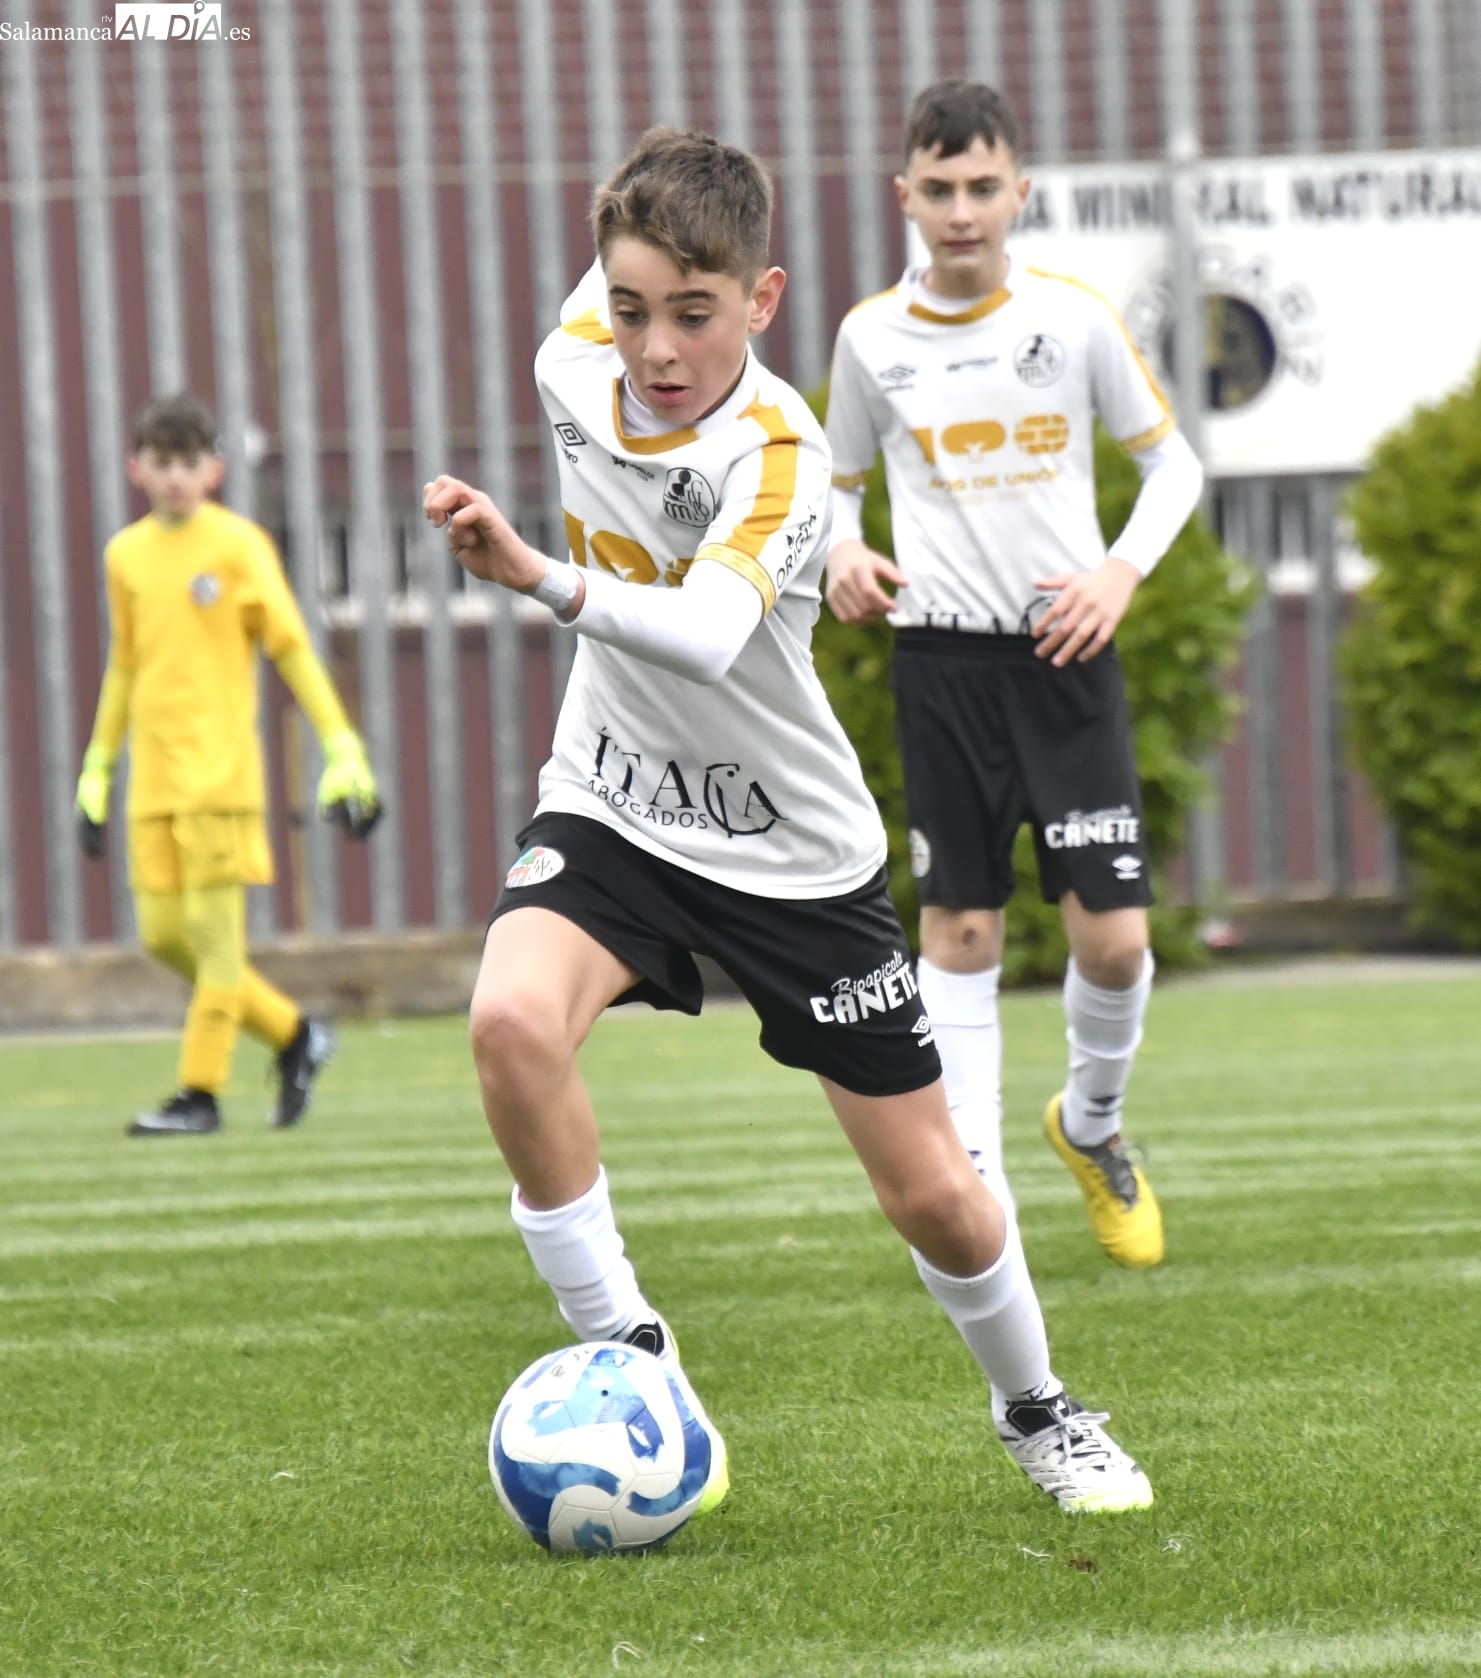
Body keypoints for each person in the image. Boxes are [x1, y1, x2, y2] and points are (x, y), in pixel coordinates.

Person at [423, 126, 1152, 1514]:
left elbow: (706, 634)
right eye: (630, 307)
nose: (656, 347)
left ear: (761, 302)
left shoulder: (778, 449)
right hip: (613, 800)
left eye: (695, 313)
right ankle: (630, 1355)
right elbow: (636, 235)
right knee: (509, 1023)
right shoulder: (573, 359)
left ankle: (1038, 1410)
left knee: (933, 1193)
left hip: (790, 853)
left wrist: (535, 574)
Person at [824, 82, 1206, 1269]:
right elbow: (833, 483)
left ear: (1018, 194)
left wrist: (1118, 575)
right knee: (960, 931)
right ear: (903, 196)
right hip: (940, 662)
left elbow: (1173, 467)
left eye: (981, 187)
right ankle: (979, 1191)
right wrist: (839, 549)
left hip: (1063, 655)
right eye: (938, 189)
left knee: (1115, 942)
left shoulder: (1071, 319)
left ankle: (1088, 1123)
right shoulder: (868, 337)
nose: (960, 211)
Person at [75, 394, 382, 1137]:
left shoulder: (239, 546)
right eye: (162, 462)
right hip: (153, 784)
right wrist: (96, 770)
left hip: (220, 780)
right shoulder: (125, 556)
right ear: (137, 468)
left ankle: (200, 1094)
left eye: (189, 462)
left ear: (213, 470)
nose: (176, 477)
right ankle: (294, 1033)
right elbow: (125, 665)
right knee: (162, 938)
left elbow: (290, 648)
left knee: (216, 946)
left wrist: (342, 747)